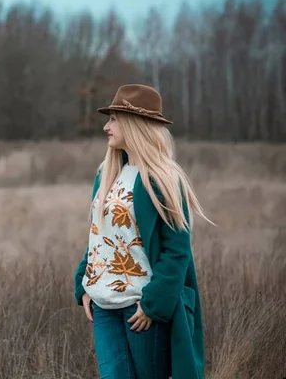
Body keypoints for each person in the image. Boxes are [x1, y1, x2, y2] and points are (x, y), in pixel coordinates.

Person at [73, 84, 213, 379]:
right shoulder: (107, 173)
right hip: (102, 306)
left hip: (140, 309)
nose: (106, 126)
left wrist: (154, 305)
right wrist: (84, 283)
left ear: (134, 124)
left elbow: (177, 251)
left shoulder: (161, 179)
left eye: (113, 119)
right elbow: (100, 234)